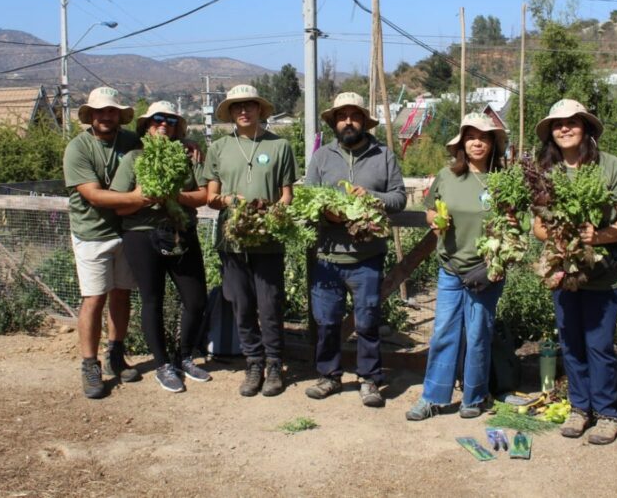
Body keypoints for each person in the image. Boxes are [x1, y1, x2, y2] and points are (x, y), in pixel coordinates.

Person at [531, 99, 617, 444]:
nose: (564, 128)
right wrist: (559, 235)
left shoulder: (610, 166)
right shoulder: (547, 172)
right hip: (564, 271)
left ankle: (607, 412)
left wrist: (599, 236)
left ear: (586, 127)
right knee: (571, 342)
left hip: (605, 274)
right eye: (557, 124)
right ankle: (579, 408)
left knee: (599, 344)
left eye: (572, 122)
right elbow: (537, 227)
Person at [303, 92, 406, 407]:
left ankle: (370, 379)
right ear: (335, 122)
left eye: (354, 115)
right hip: (327, 256)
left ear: (364, 121)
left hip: (366, 257)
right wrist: (325, 211)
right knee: (327, 321)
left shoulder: (383, 155)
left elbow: (399, 198)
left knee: (367, 321)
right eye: (342, 116)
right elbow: (307, 198)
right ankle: (329, 376)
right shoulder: (321, 157)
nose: (348, 121)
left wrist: (373, 197)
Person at [406, 112, 508, 421]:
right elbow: (428, 211)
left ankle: (474, 397)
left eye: (485, 137)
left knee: (478, 334)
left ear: (493, 144)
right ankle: (432, 397)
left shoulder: (504, 180)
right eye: (471, 136)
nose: (478, 142)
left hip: (486, 271)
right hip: (450, 268)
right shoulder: (447, 175)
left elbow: (516, 225)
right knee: (444, 333)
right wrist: (435, 220)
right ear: (462, 142)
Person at [203, 84, 297, 397]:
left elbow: (287, 196)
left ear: (259, 109)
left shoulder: (280, 145)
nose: (244, 111)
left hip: (267, 238)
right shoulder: (219, 147)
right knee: (241, 304)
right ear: (230, 112)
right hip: (232, 240)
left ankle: (274, 365)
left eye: (249, 105)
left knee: (269, 304)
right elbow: (210, 196)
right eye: (237, 107)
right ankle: (253, 362)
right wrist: (229, 201)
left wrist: (269, 215)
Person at [110, 101, 211, 394]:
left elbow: (203, 194)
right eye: (157, 120)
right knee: (152, 299)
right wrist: (145, 198)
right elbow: (119, 204)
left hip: (182, 231)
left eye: (169, 120)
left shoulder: (188, 157)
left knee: (196, 300)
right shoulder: (133, 158)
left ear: (177, 127)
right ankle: (163, 364)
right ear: (147, 126)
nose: (163, 125)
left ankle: (185, 356)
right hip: (142, 235)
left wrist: (175, 196)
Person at [63, 87, 148, 399]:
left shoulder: (129, 142)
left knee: (121, 295)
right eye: (100, 111)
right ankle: (89, 364)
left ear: (118, 115)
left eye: (111, 111)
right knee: (94, 298)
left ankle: (115, 353)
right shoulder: (79, 148)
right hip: (92, 234)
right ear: (91, 115)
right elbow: (93, 194)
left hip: (125, 231)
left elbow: (154, 149)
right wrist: (137, 198)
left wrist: (188, 143)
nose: (106, 116)